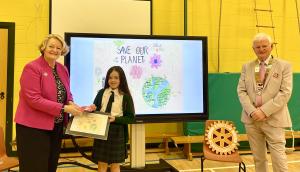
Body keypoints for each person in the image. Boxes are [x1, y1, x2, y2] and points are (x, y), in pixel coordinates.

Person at [14, 34, 83, 172]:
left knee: (50, 167)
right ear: (43, 47)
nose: (55, 50)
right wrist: (64, 108)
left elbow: (66, 92)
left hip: (55, 126)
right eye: (51, 46)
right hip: (33, 128)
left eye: (59, 48)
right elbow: (34, 99)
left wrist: (71, 102)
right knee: (34, 167)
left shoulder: (62, 69)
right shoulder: (32, 67)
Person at [237, 33, 293, 172]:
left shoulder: (284, 66)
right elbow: (241, 91)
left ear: (271, 47)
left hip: (274, 118)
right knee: (258, 158)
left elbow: (285, 93)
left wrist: (263, 111)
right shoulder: (246, 67)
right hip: (252, 119)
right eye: (258, 47)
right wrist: (252, 111)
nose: (261, 49)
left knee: (278, 157)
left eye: (264, 46)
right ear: (253, 49)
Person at [90, 66, 135, 172]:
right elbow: (95, 108)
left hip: (117, 132)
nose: (113, 80)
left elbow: (130, 118)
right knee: (101, 163)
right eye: (110, 78)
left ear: (121, 79)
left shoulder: (126, 96)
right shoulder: (101, 92)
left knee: (115, 165)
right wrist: (92, 108)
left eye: (116, 78)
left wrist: (116, 119)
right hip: (101, 130)